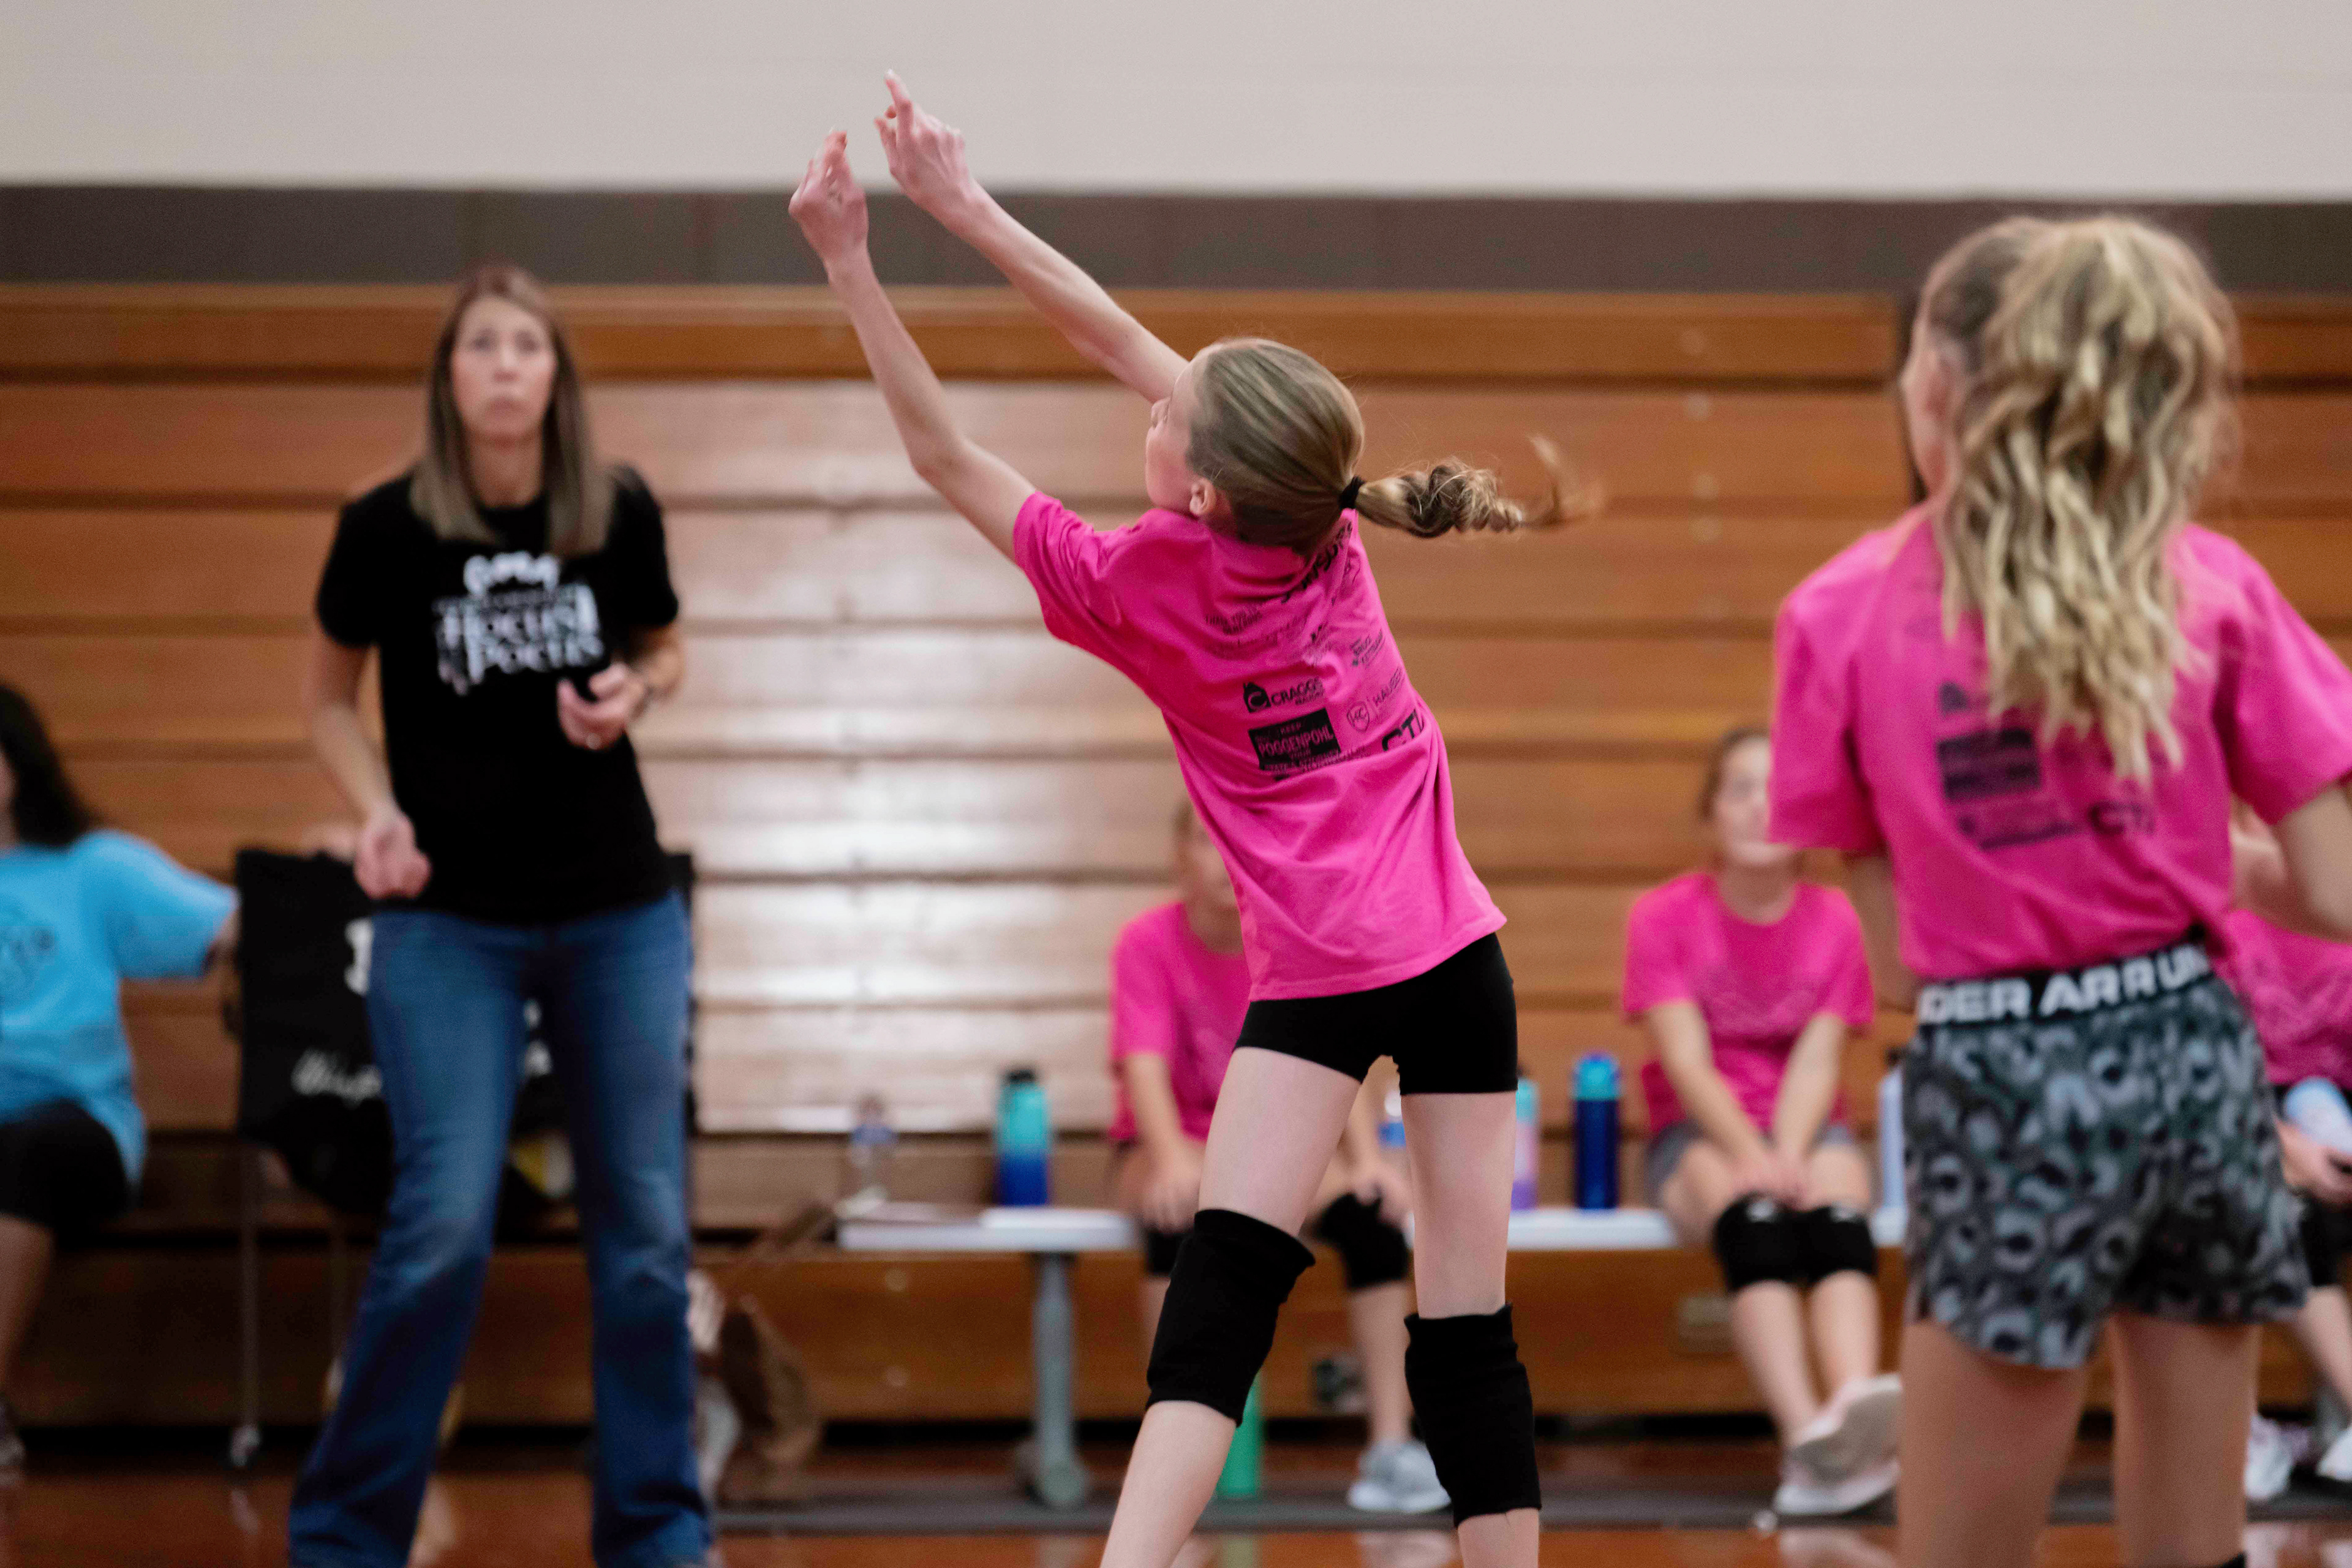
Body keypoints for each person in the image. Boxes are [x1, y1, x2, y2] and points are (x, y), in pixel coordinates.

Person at [788, 74, 1572, 1568]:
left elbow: (945, 454)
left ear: (1199, 488)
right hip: (1458, 966)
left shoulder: (1132, 588)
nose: (1148, 395)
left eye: (1166, 411)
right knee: (1468, 1321)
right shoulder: (1322, 518)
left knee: (1218, 1306)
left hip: (1316, 986)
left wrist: (854, 262)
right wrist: (959, 202)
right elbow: (1111, 336)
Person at [1771, 214, 2352, 1568]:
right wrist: (2196, 862)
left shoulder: (1839, 612)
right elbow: (2334, 889)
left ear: (1940, 381)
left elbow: (1901, 965)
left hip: (2004, 1066)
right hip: (2197, 1058)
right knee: (2199, 1547)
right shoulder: (2211, 582)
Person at [290, 265, 706, 1568]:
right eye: (483, 345)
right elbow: (326, 703)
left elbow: (667, 646)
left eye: (528, 344)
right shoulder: (383, 526)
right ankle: (347, 1534)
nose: (508, 365)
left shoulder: (614, 507)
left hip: (617, 912)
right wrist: (375, 808)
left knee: (645, 1238)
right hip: (448, 924)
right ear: (451, 378)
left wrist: (636, 690)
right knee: (442, 1226)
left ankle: (656, 1529)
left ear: (555, 376)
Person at [1112, 800, 1442, 1513]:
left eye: (1237, 842)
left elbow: (1338, 1065)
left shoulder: (1294, 943)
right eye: (1206, 842)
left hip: (1272, 1144)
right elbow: (1143, 1068)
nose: (1224, 858)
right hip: (1173, 1143)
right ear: (1179, 857)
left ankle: (1391, 1447)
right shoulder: (1147, 942)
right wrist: (1171, 1160)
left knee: (1372, 1221)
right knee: (1176, 1216)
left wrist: (1367, 1162)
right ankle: (1169, 1459)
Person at [1624, 726, 1898, 1516]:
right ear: (1710, 812)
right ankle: (1807, 1439)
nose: (1757, 806)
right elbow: (1686, 1060)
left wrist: (1787, 1152)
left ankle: (1851, 1410)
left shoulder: (1839, 921)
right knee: (1755, 1221)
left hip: (1806, 1128)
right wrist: (1752, 1154)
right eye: (1739, 788)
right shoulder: (1663, 916)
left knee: (1838, 1215)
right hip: (1698, 1134)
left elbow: (1817, 1062)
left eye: (1775, 790)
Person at [0, 685, 238, 1473]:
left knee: (27, 1150)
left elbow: (231, 924)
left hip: (76, 1128)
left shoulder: (91, 868)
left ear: (15, 768)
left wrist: (337, 871)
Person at [2220, 815, 2352, 1499]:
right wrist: (2285, 1143)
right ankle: (2238, 1428)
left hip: (2327, 1110)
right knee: (2276, 1208)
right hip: (2248, 1123)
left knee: (2316, 1102)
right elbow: (2203, 1071)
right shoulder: (2218, 910)